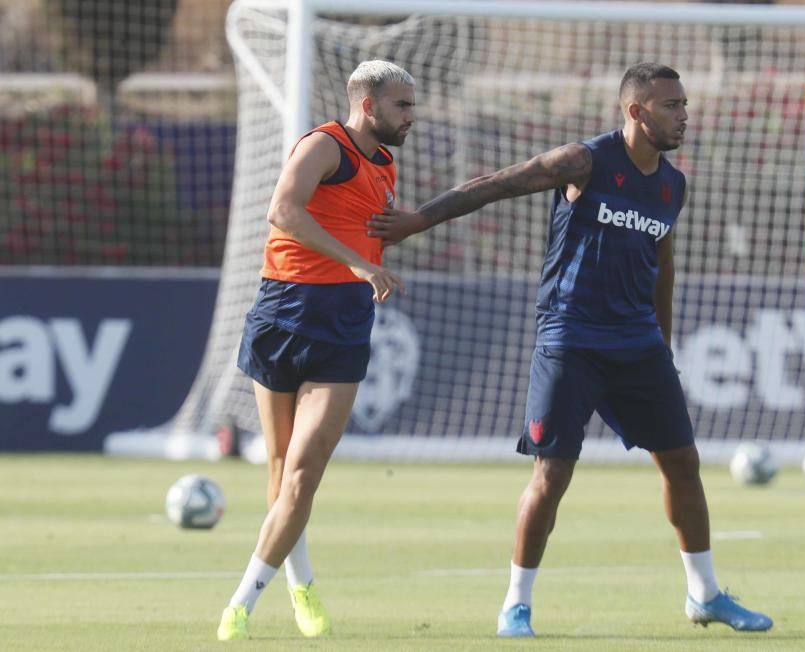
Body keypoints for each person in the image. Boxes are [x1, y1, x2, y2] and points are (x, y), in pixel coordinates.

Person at [367, 63, 772, 637]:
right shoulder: (584, 161)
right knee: (552, 473)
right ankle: (515, 605)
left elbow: (663, 263)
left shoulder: (672, 185)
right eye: (671, 105)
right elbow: (493, 185)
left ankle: (705, 594)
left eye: (684, 104)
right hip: (571, 337)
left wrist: (664, 341)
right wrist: (416, 221)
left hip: (638, 344)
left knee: (683, 463)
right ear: (635, 112)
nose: (684, 115)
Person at [216, 59, 412, 641]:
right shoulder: (325, 146)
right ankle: (301, 584)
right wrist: (354, 260)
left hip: (344, 325)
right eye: (402, 105)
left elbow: (360, 227)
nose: (411, 116)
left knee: (302, 476)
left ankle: (240, 604)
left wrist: (375, 255)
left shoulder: (386, 165)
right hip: (283, 312)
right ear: (369, 105)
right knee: (280, 472)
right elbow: (282, 210)